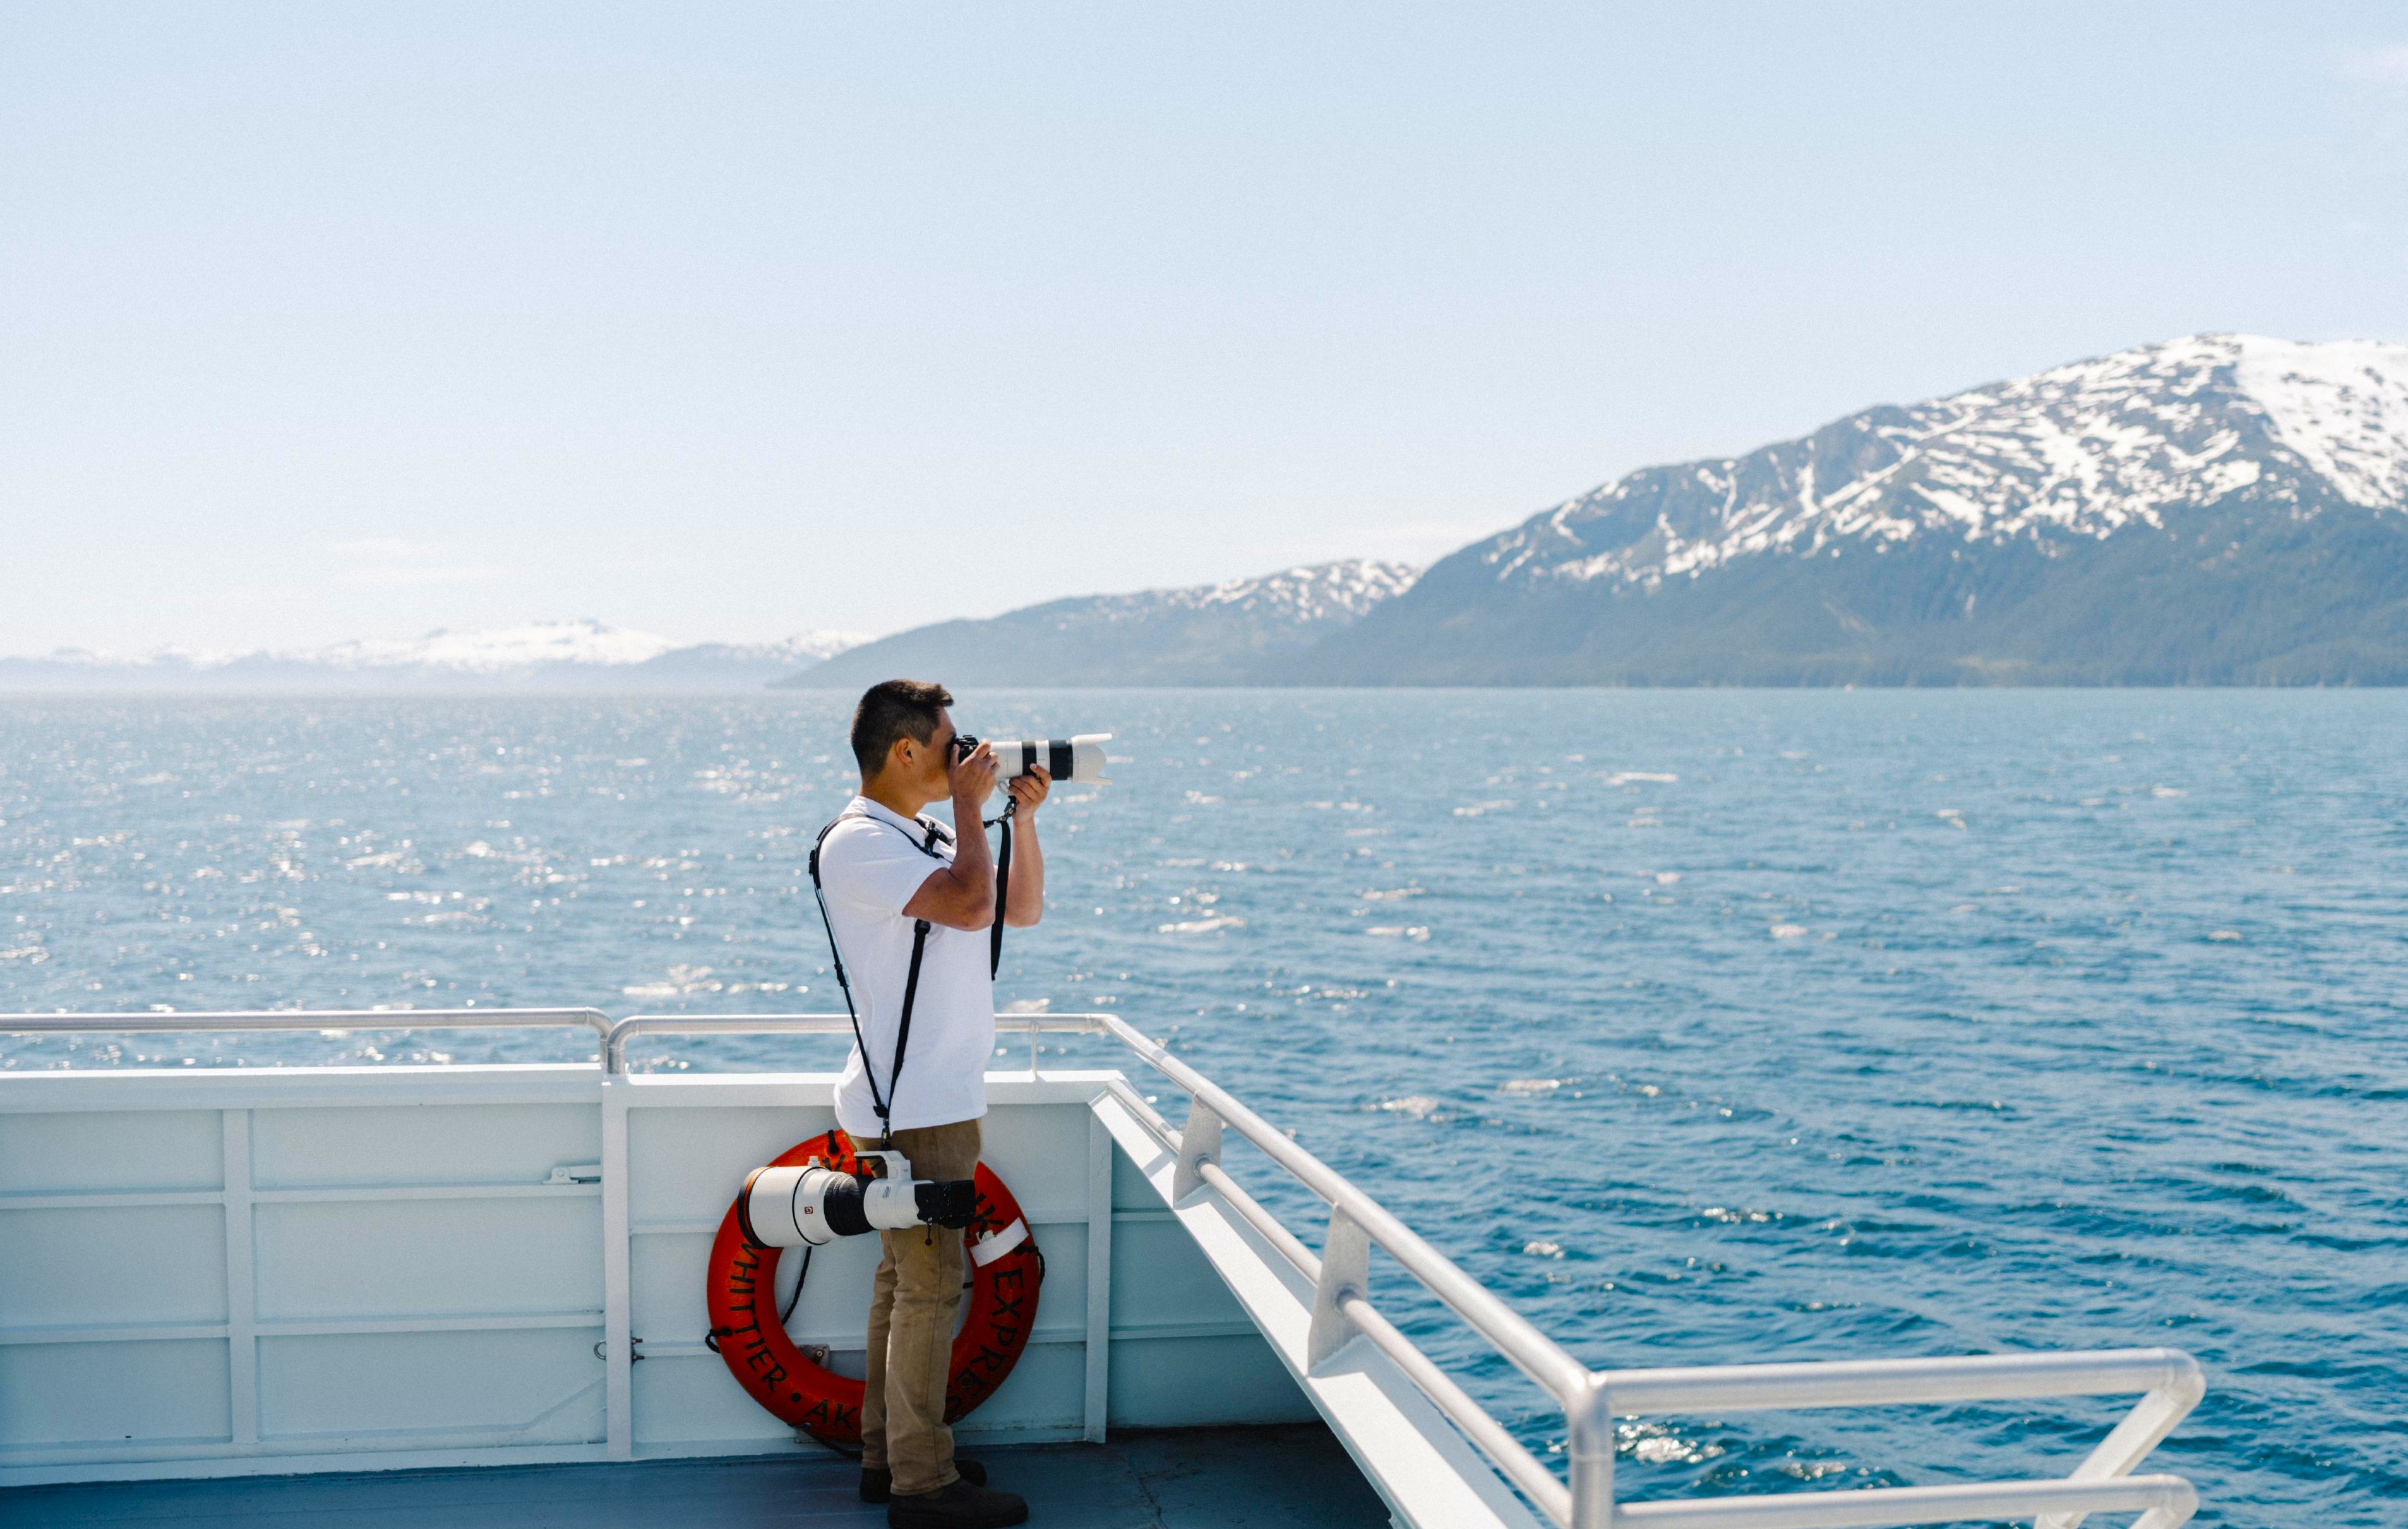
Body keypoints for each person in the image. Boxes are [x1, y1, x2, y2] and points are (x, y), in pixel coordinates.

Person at [815, 680, 1046, 1529]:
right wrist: (966, 808)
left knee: (900, 1278)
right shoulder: (859, 843)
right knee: (929, 1284)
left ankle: (888, 1456)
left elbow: (1015, 910)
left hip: (927, 1095)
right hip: (911, 1105)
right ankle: (923, 1484)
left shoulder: (924, 835)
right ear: (905, 751)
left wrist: (1016, 820)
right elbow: (972, 901)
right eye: (951, 745)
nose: (964, 758)